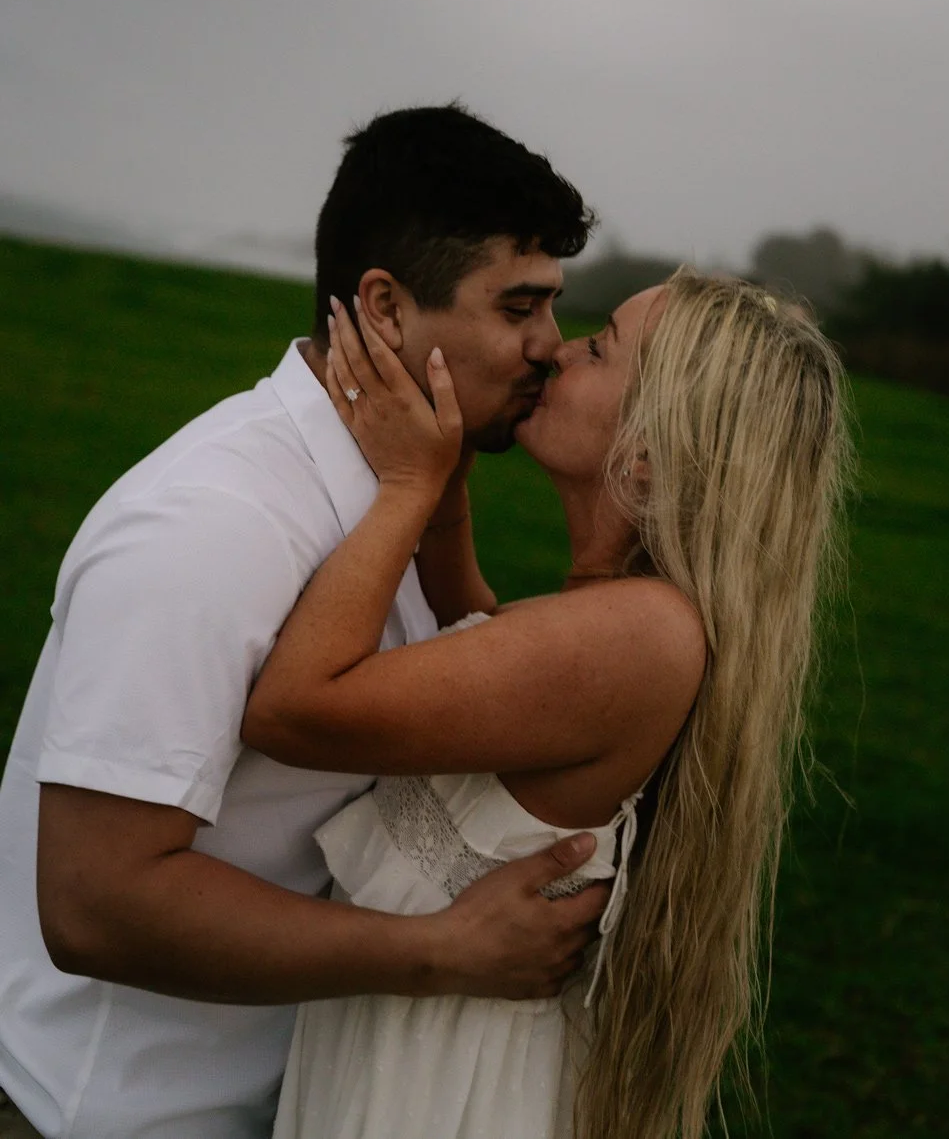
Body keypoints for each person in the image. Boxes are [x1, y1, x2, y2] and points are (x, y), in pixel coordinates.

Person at [0, 104, 608, 1139]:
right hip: (96, 1111)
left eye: (554, 305)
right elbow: (94, 900)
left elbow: (472, 685)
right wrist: (443, 952)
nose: (549, 347)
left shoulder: (397, 490)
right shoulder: (213, 522)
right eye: (518, 307)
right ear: (382, 306)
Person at [241, 269, 852, 1139]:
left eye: (598, 348)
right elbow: (480, 648)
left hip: (446, 1087)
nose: (555, 351)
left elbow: (294, 710)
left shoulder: (640, 635)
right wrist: (446, 490)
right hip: (423, 1048)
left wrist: (406, 490)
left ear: (645, 451)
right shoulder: (623, 615)